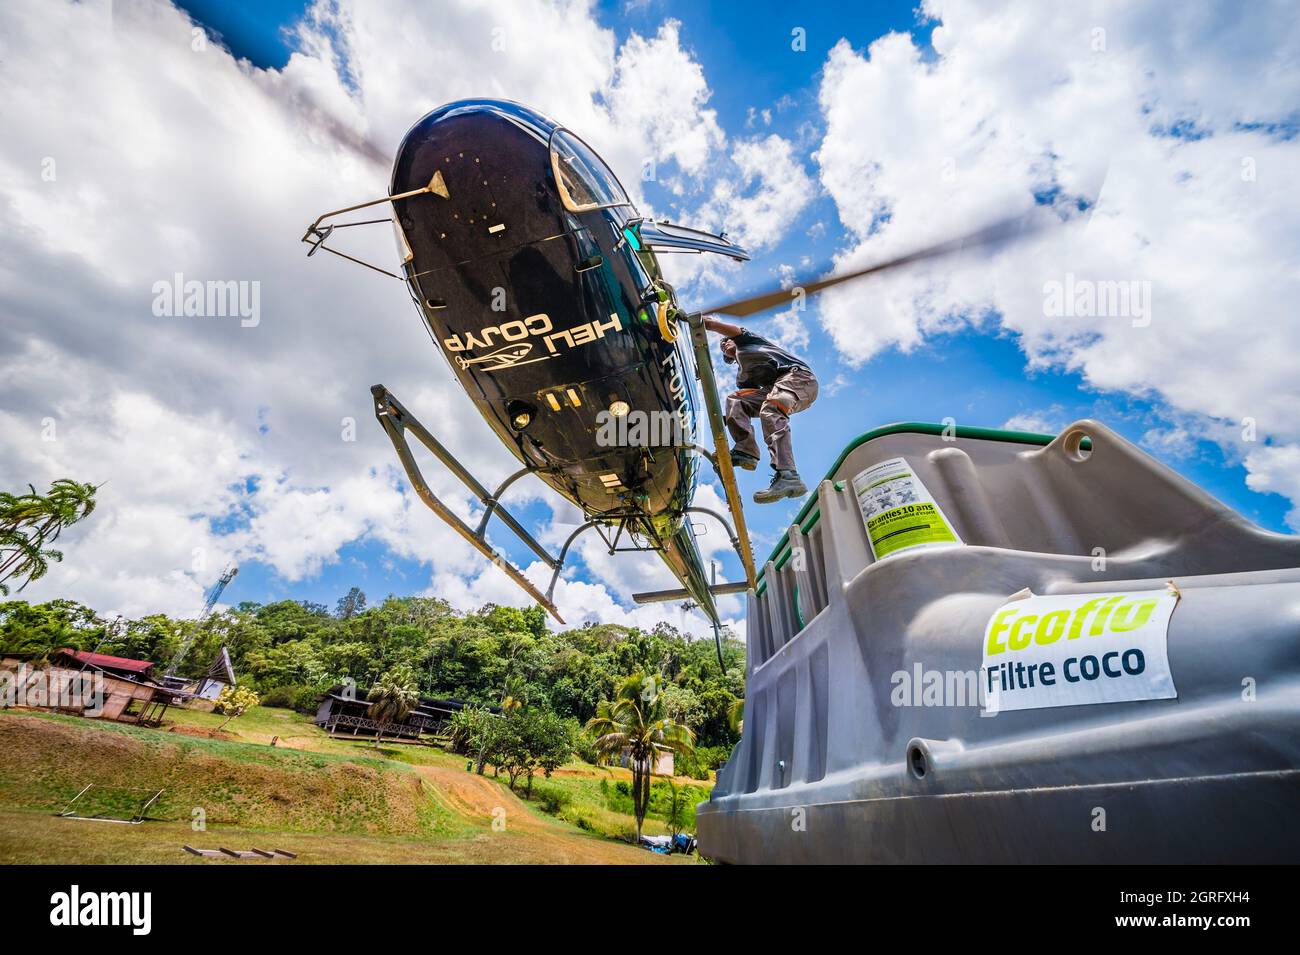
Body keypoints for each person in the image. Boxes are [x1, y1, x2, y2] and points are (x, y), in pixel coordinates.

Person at [703, 316, 819, 503]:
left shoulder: (749, 341)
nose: (724, 344)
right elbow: (747, 404)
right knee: (736, 400)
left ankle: (789, 476)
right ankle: (746, 450)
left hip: (799, 379)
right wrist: (728, 420)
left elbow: (714, 325)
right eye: (722, 346)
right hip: (774, 388)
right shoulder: (743, 377)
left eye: (726, 340)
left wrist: (700, 322)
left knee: (772, 408)